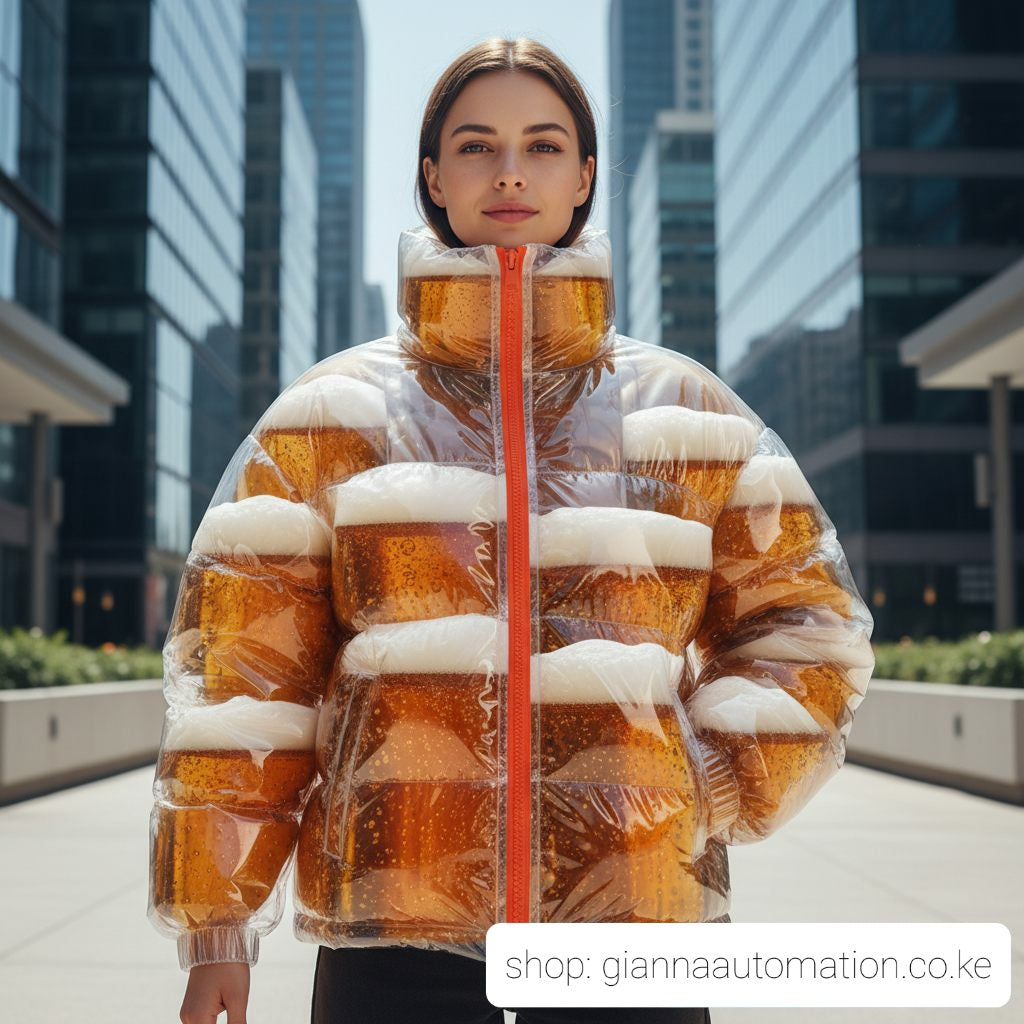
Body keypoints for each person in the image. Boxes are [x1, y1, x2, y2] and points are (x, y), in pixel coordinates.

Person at [153, 37, 875, 1024]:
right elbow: (244, 683)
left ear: (583, 175)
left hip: (636, 931)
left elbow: (810, 629)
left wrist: (696, 785)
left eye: (541, 146)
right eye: (475, 144)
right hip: (393, 936)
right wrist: (217, 929)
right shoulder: (330, 417)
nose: (507, 172)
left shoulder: (686, 411)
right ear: (433, 177)